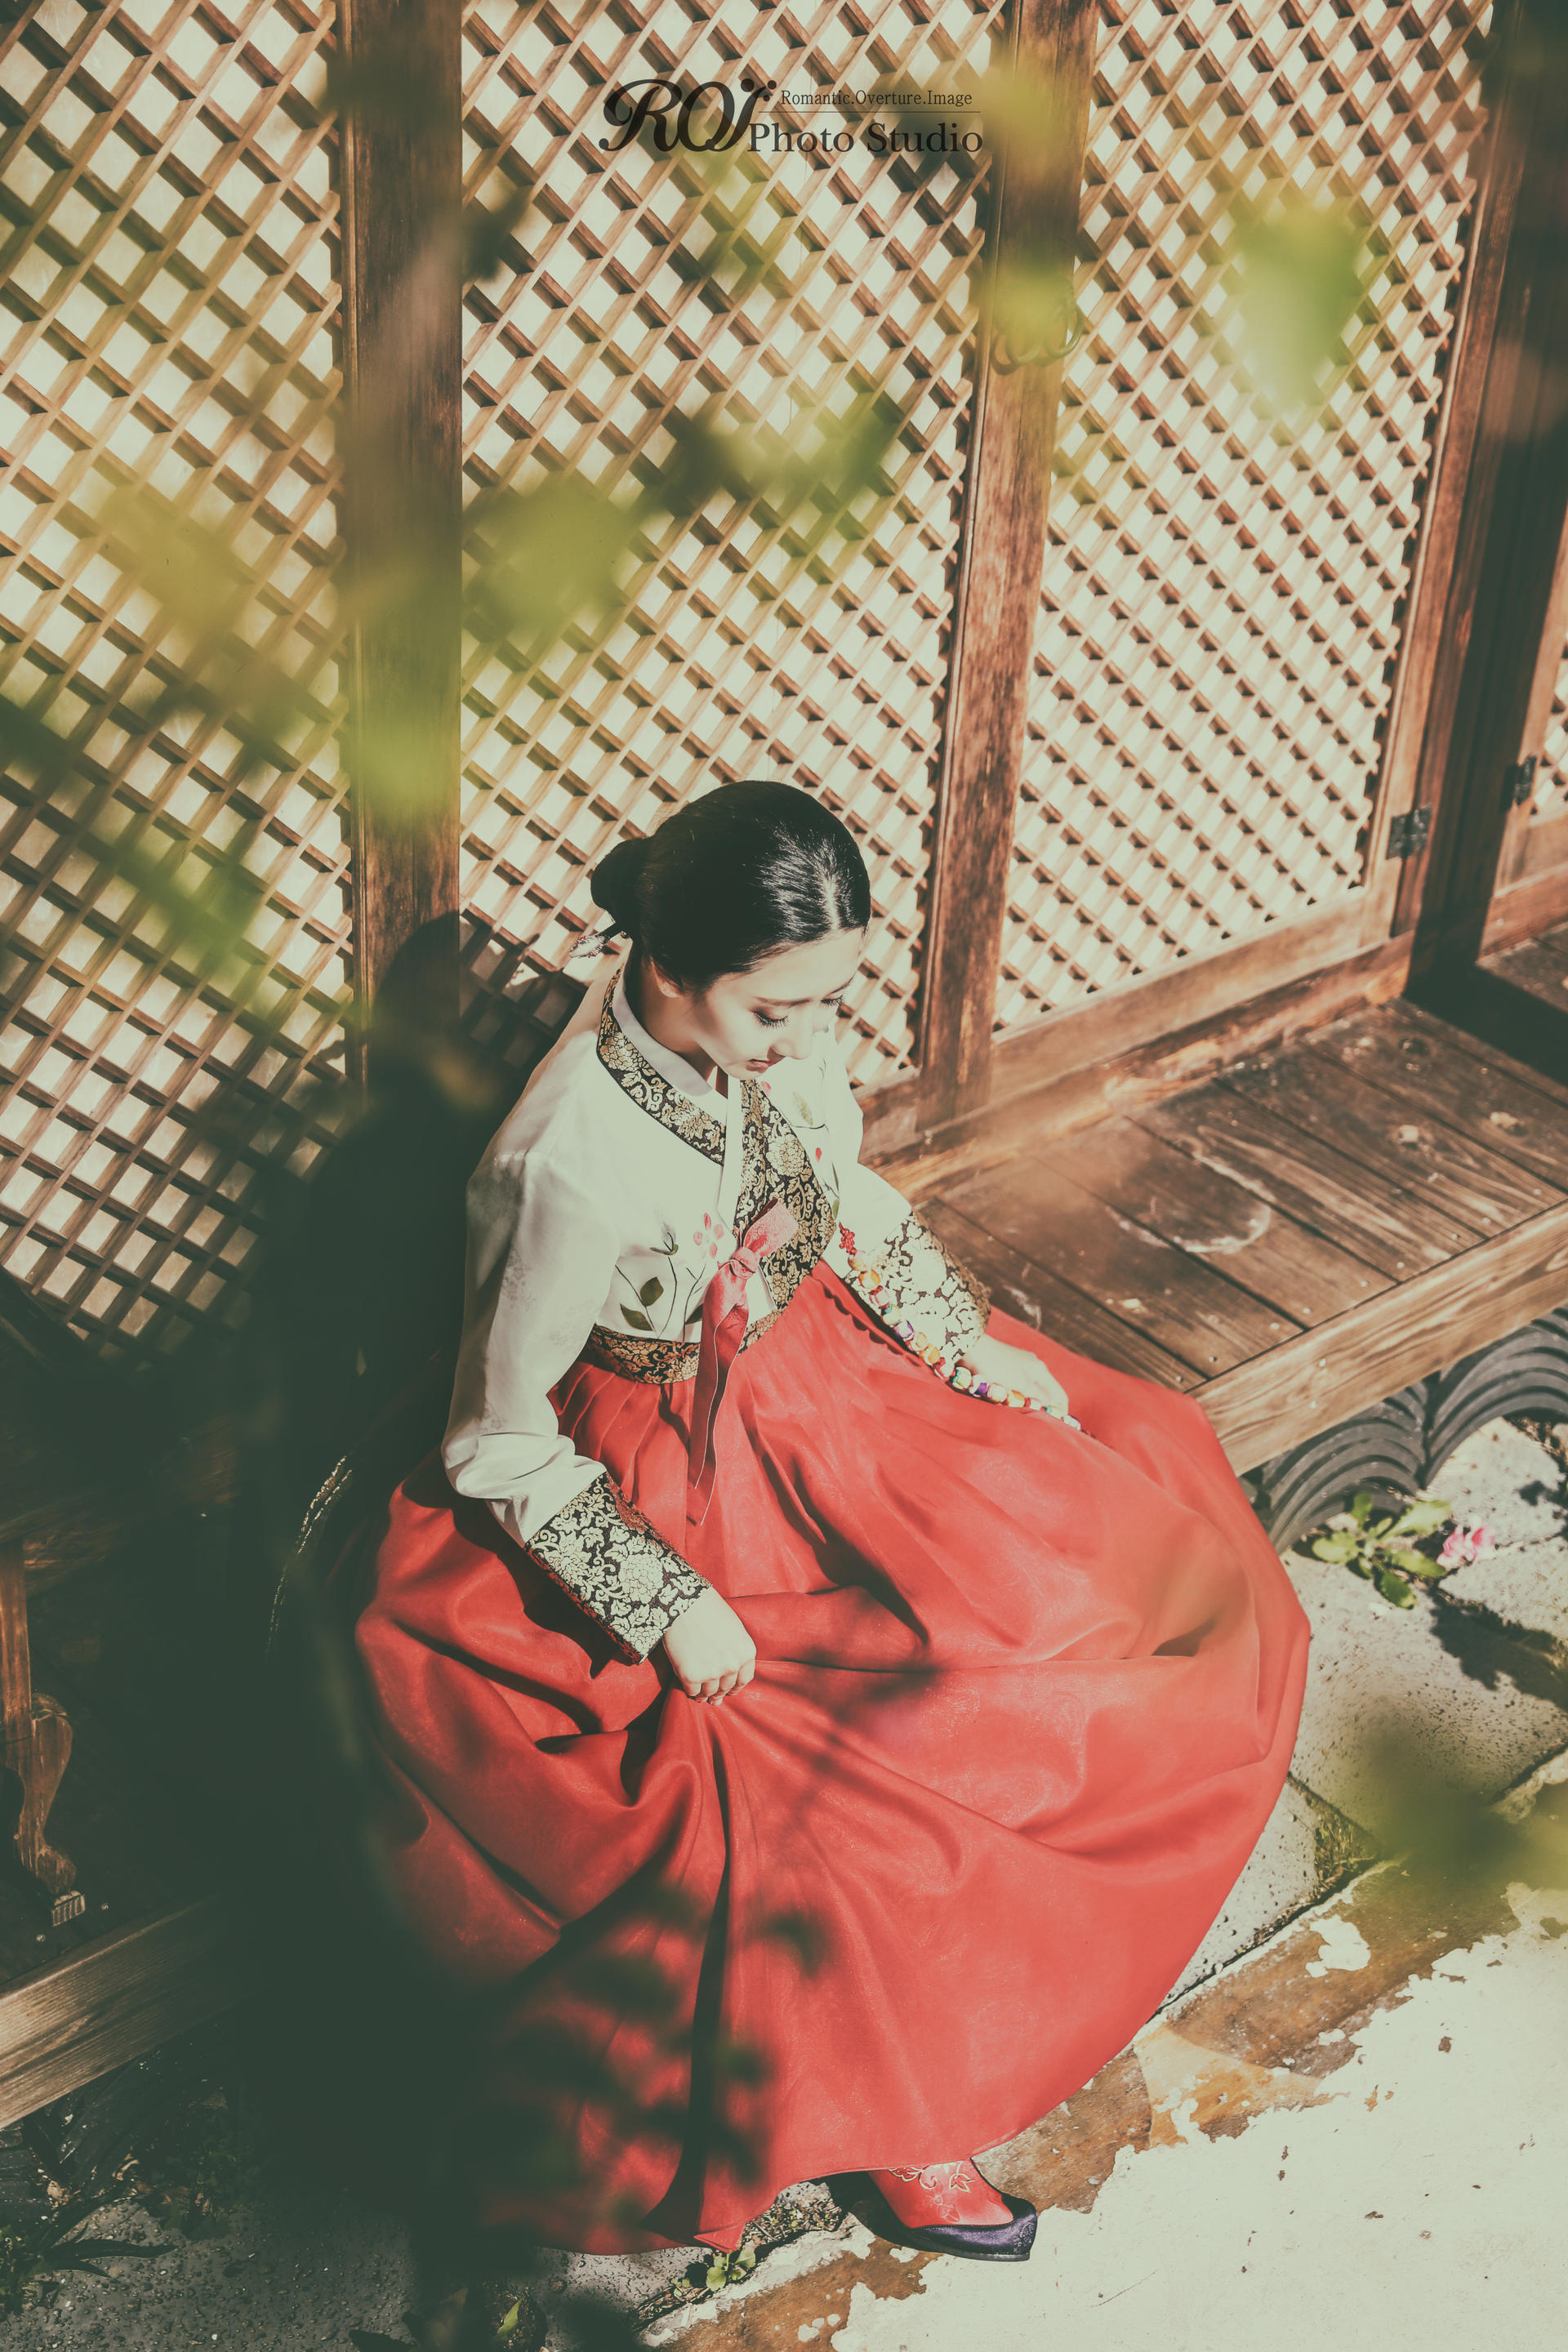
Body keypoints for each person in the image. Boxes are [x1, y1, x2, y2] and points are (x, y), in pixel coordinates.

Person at [346, 779, 1311, 2264]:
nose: (804, 1037)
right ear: (667, 968)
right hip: (656, 1483)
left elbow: (840, 1192)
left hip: (831, 1390)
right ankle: (906, 2117)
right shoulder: (560, 1163)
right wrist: (663, 1600)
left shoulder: (773, 1036)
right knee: (835, 1800)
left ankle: (1010, 2009)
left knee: (1120, 1515)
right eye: (775, 1008)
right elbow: (498, 1438)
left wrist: (957, 1341)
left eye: (825, 1002)